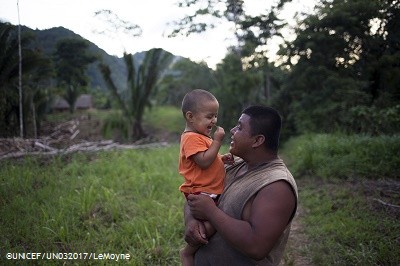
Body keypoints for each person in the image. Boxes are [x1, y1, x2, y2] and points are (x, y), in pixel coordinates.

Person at [184, 105, 298, 265]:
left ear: (257, 140)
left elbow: (256, 246)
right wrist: (191, 221)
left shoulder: (276, 185)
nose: (232, 130)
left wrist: (210, 211)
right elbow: (196, 192)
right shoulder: (231, 164)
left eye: (239, 127)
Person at [178, 89, 234, 266]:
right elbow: (203, 161)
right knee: (210, 225)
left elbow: (208, 159)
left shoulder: (201, 136)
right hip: (202, 192)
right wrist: (217, 141)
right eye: (210, 116)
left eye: (215, 116)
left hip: (209, 190)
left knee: (213, 223)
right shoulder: (190, 138)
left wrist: (220, 159)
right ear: (190, 116)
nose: (214, 121)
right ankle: (188, 253)